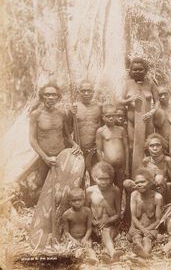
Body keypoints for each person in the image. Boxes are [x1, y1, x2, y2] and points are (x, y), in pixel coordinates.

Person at [29, 83, 83, 250]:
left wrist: (75, 145)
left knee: (61, 196)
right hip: (45, 160)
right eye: (47, 95)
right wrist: (45, 158)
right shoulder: (36, 115)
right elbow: (32, 140)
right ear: (42, 96)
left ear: (58, 97)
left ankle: (61, 229)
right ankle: (44, 230)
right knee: (45, 195)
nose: (50, 98)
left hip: (61, 159)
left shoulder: (61, 113)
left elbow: (66, 136)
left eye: (53, 95)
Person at [86, 162, 123, 261]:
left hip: (110, 226)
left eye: (106, 179)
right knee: (89, 239)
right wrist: (93, 222)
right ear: (94, 178)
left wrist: (106, 221)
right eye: (100, 179)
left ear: (111, 178)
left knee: (106, 233)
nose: (104, 182)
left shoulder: (115, 190)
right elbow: (86, 210)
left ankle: (112, 253)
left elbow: (118, 214)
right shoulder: (90, 191)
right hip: (94, 226)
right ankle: (96, 255)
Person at [121, 57, 158, 148]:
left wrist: (151, 112)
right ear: (131, 71)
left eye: (140, 69)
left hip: (147, 121)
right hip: (132, 123)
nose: (138, 71)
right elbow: (121, 101)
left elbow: (157, 102)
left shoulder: (151, 84)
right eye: (135, 69)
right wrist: (130, 99)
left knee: (148, 146)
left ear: (145, 70)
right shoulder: (127, 84)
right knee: (133, 147)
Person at [70, 80, 102, 182]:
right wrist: (73, 144)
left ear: (93, 92)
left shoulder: (99, 107)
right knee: (78, 180)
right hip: (78, 149)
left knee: (95, 179)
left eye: (89, 91)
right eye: (83, 91)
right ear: (79, 92)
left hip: (94, 151)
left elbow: (103, 127)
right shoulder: (74, 108)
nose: (86, 93)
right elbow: (65, 130)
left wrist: (99, 145)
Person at [128, 168, 163, 258]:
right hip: (136, 227)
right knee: (137, 238)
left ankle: (144, 254)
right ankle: (141, 253)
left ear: (150, 182)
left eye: (142, 182)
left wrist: (147, 231)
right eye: (137, 183)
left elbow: (158, 220)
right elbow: (133, 217)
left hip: (151, 228)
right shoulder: (134, 195)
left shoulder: (157, 197)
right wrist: (143, 230)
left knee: (147, 239)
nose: (139, 185)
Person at [96, 105, 129, 194]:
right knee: (108, 189)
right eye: (108, 116)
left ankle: (118, 207)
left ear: (116, 116)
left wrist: (126, 167)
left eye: (113, 116)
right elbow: (99, 150)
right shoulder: (101, 131)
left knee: (120, 188)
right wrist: (103, 167)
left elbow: (126, 148)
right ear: (103, 117)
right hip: (108, 166)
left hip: (121, 166)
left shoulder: (121, 130)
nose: (111, 118)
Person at [62, 188, 98, 264]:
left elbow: (89, 228)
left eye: (79, 200)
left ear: (84, 199)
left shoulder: (87, 211)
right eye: (74, 201)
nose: (77, 202)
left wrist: (85, 238)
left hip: (85, 237)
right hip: (72, 238)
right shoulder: (66, 214)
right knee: (74, 252)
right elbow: (66, 232)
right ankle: (78, 260)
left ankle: (93, 258)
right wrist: (73, 240)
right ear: (69, 201)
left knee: (89, 248)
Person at [143, 133, 171, 204]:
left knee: (159, 178)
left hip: (165, 193)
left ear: (163, 147)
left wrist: (162, 182)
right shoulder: (146, 161)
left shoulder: (167, 160)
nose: (155, 148)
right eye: (151, 146)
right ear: (148, 148)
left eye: (158, 145)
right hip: (149, 191)